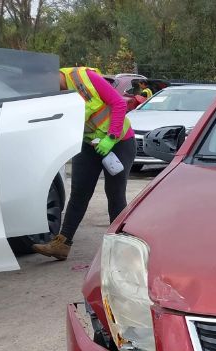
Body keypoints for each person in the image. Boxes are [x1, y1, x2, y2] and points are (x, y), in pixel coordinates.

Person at [33, 67, 136, 261]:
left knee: (115, 194)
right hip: (89, 144)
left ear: (53, 73)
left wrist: (111, 138)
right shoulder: (56, 96)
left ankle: (121, 247)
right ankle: (61, 245)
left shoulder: (84, 77)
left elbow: (118, 104)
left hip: (119, 141)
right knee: (79, 193)